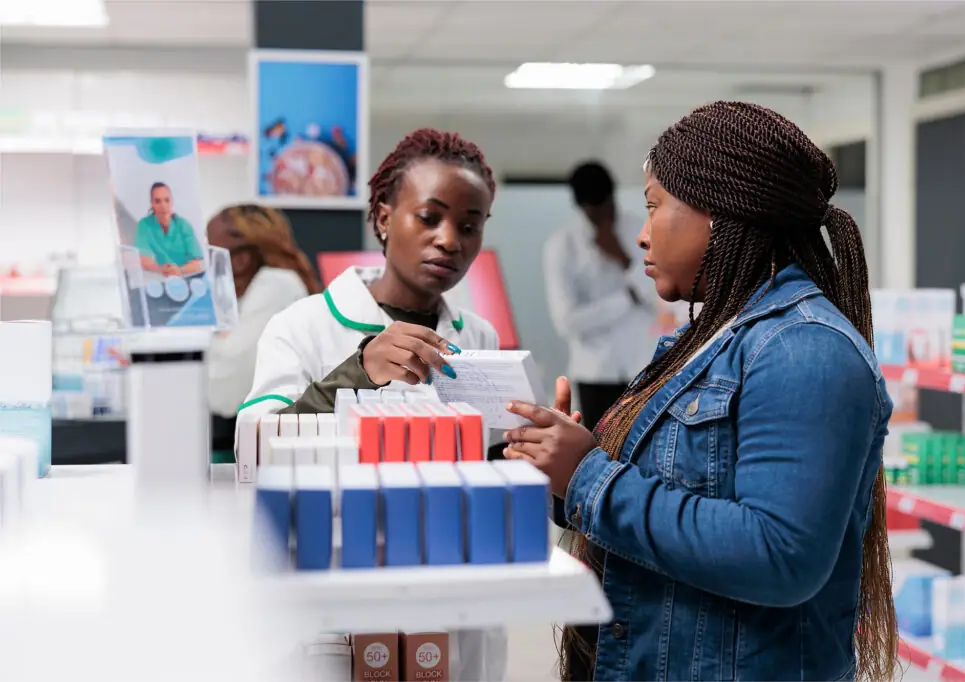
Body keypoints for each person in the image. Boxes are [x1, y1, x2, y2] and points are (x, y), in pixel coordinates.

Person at [502, 102, 898, 681]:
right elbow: (683, 491)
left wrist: (589, 476)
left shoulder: (803, 348)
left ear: (719, 212)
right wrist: (564, 477)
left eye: (654, 206)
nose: (642, 234)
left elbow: (778, 554)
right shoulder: (711, 338)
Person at [237, 128, 506, 681]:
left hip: (448, 596)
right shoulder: (304, 326)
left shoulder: (478, 336)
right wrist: (357, 372)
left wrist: (529, 451)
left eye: (469, 225)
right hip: (337, 597)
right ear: (383, 218)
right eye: (429, 217)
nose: (449, 240)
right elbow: (257, 450)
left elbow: (485, 470)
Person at [542, 161, 657, 431]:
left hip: (643, 367)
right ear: (581, 207)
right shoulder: (562, 246)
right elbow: (567, 323)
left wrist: (624, 259)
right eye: (595, 211)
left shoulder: (642, 231)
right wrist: (628, 298)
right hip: (595, 374)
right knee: (600, 446)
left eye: (608, 206)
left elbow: (661, 297)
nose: (605, 216)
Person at [206, 204, 320, 450]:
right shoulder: (256, 290)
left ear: (241, 260)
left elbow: (228, 386)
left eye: (210, 251)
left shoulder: (276, 284)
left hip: (265, 444)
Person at [135, 182, 205, 276]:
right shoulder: (144, 225)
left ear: (172, 202)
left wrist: (180, 270)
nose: (163, 205)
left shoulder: (183, 225)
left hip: (186, 278)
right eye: (158, 201)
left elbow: (200, 263)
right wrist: (160, 270)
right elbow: (143, 259)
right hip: (158, 278)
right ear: (152, 204)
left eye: (167, 200)